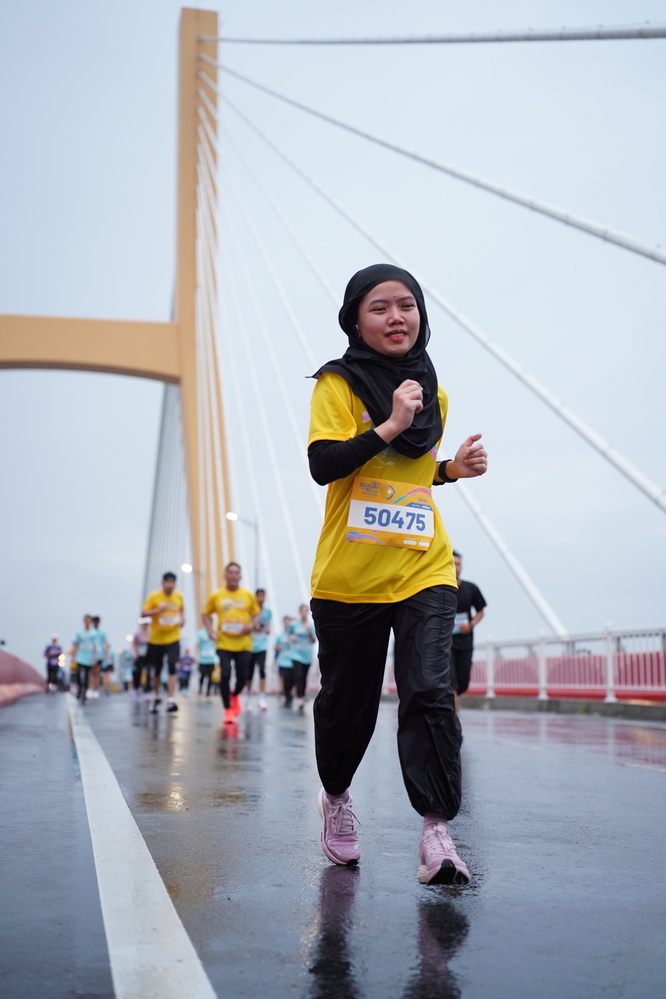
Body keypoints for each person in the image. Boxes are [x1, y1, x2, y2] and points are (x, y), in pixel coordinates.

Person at [307, 263, 487, 885]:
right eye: (379, 307)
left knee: (431, 691)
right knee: (348, 705)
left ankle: (437, 831)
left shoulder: (432, 393)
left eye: (406, 305)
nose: (395, 317)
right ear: (356, 320)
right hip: (350, 577)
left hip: (424, 568)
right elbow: (325, 465)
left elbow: (413, 472)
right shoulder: (337, 385)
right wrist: (388, 423)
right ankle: (336, 797)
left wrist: (451, 470)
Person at [202, 562, 259, 725]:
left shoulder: (248, 595)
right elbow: (205, 614)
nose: (233, 575)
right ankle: (227, 709)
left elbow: (256, 614)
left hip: (243, 643)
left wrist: (251, 625)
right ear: (225, 575)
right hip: (224, 643)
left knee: (243, 677)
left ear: (240, 576)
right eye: (230, 572)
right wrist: (210, 629)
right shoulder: (217, 596)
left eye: (236, 573)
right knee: (225, 674)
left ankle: (234, 695)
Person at [141, 571, 185, 714]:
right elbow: (143, 613)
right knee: (157, 669)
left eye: (172, 582)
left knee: (172, 665)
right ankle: (157, 696)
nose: (170, 585)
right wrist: (158, 610)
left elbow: (182, 610)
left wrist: (183, 619)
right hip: (156, 639)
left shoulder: (179, 596)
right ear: (162, 583)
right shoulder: (154, 596)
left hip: (173, 637)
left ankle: (171, 699)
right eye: (167, 582)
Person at [450, 550, 487, 710]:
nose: (455, 567)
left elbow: (480, 612)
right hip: (446, 643)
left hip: (465, 641)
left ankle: (452, 708)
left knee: (463, 682)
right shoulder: (441, 589)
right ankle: (454, 720)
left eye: (458, 564)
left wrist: (470, 625)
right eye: (452, 564)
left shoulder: (471, 588)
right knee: (451, 682)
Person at [287, 604, 316, 712]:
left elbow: (314, 641)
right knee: (298, 675)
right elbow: (288, 632)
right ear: (300, 612)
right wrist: (291, 637)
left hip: (307, 655)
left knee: (304, 677)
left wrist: (310, 633)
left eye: (306, 611)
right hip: (296, 654)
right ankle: (299, 697)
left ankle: (302, 696)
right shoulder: (294, 624)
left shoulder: (311, 625)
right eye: (303, 611)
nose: (305, 613)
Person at [248, 588, 272, 711]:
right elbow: (247, 626)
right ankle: (249, 698)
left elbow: (268, 626)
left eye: (263, 596)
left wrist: (267, 630)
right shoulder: (250, 611)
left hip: (262, 645)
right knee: (249, 673)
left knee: (262, 669)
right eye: (259, 596)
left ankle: (262, 697)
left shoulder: (268, 612)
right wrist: (254, 628)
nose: (261, 598)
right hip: (250, 645)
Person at [71, 614, 99, 703]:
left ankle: (85, 692)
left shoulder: (94, 633)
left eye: (89, 621)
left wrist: (95, 658)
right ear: (83, 621)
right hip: (80, 657)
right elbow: (76, 645)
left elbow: (95, 646)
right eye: (86, 620)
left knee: (87, 676)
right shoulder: (79, 632)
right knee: (78, 674)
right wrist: (73, 657)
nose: (87, 622)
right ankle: (79, 689)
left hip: (89, 658)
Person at [274, 616, 295, 707]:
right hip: (282, 661)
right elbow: (275, 647)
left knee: (292, 680)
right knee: (284, 679)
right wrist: (279, 647)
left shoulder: (294, 635)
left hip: (292, 661)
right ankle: (287, 697)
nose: (287, 624)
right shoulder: (280, 636)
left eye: (288, 622)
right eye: (285, 622)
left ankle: (290, 695)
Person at [131, 618, 151, 700]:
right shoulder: (138, 634)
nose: (145, 625)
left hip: (148, 656)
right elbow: (133, 644)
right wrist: (134, 653)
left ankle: (147, 691)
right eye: (144, 624)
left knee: (148, 673)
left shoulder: (151, 633)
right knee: (137, 672)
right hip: (139, 656)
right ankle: (136, 689)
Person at [195, 624, 217, 696]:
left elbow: (217, 644)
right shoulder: (200, 633)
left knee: (211, 676)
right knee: (202, 675)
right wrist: (196, 656)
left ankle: (208, 691)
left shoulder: (215, 633)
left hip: (211, 660)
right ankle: (200, 688)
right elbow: (197, 644)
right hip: (202, 660)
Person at [92, 616, 112, 695]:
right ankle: (92, 688)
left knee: (97, 672)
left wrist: (106, 654)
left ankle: (96, 689)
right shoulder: (91, 632)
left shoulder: (102, 632)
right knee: (92, 673)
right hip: (91, 655)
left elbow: (107, 643)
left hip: (99, 655)